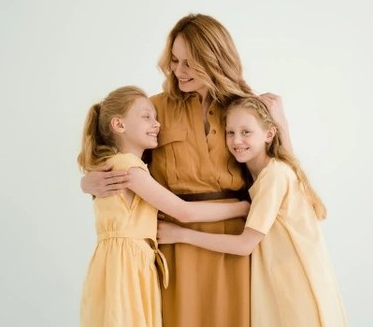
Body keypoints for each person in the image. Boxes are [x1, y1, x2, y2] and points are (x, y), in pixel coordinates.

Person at [81, 14, 292, 327]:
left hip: (233, 238)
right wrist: (88, 182)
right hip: (173, 240)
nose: (179, 71)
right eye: (175, 60)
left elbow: (279, 171)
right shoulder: (155, 108)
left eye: (189, 63)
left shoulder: (243, 109)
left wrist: (282, 125)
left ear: (214, 60)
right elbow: (113, 152)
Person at [157, 97, 349, 327]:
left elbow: (244, 245)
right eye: (230, 132)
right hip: (281, 283)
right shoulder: (261, 175)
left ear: (269, 134)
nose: (236, 140)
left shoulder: (275, 176)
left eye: (246, 132)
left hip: (295, 287)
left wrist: (181, 235)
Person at [77, 85, 250, 327]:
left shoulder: (116, 166)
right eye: (146, 117)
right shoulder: (130, 169)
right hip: (127, 264)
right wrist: (242, 208)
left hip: (120, 262)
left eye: (155, 117)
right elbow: (184, 211)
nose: (157, 124)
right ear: (119, 125)